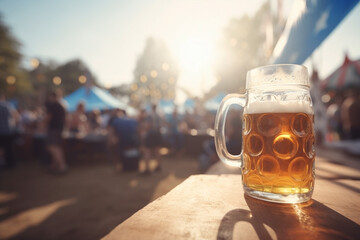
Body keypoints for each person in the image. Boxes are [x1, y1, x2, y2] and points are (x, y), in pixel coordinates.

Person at [45, 90, 67, 174]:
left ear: (52, 96)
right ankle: (54, 165)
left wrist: (43, 125)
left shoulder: (53, 105)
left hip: (54, 129)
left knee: (52, 146)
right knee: (56, 146)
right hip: (59, 129)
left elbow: (48, 117)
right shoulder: (62, 105)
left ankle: (62, 166)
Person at [0, 92, 19, 168]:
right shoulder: (9, 105)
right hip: (9, 131)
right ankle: (11, 163)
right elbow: (17, 117)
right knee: (9, 148)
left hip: (2, 131)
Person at [143, 104, 163, 175]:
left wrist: (144, 129)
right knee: (157, 150)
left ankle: (147, 169)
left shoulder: (149, 115)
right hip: (158, 134)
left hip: (151, 134)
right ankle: (158, 165)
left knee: (147, 151)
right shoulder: (158, 115)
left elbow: (147, 126)